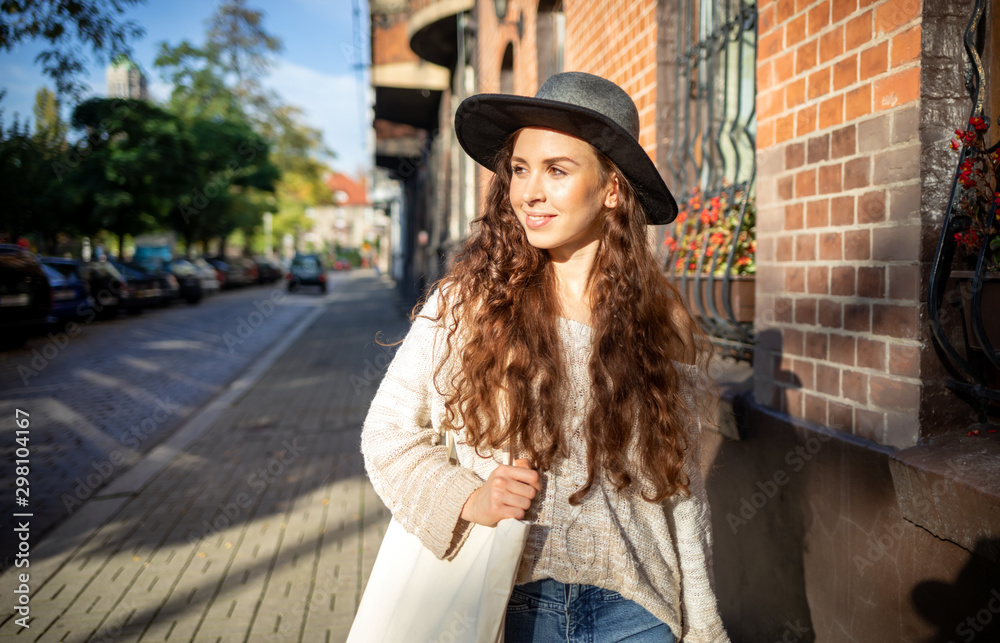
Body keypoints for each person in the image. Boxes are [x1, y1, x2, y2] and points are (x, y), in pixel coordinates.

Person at [361, 71, 730, 642]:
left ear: (611, 188)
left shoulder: (662, 322)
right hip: (506, 606)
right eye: (519, 169)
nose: (529, 191)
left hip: (637, 612)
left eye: (557, 170)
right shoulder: (470, 304)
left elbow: (680, 490)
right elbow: (388, 435)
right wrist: (470, 498)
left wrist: (704, 626)